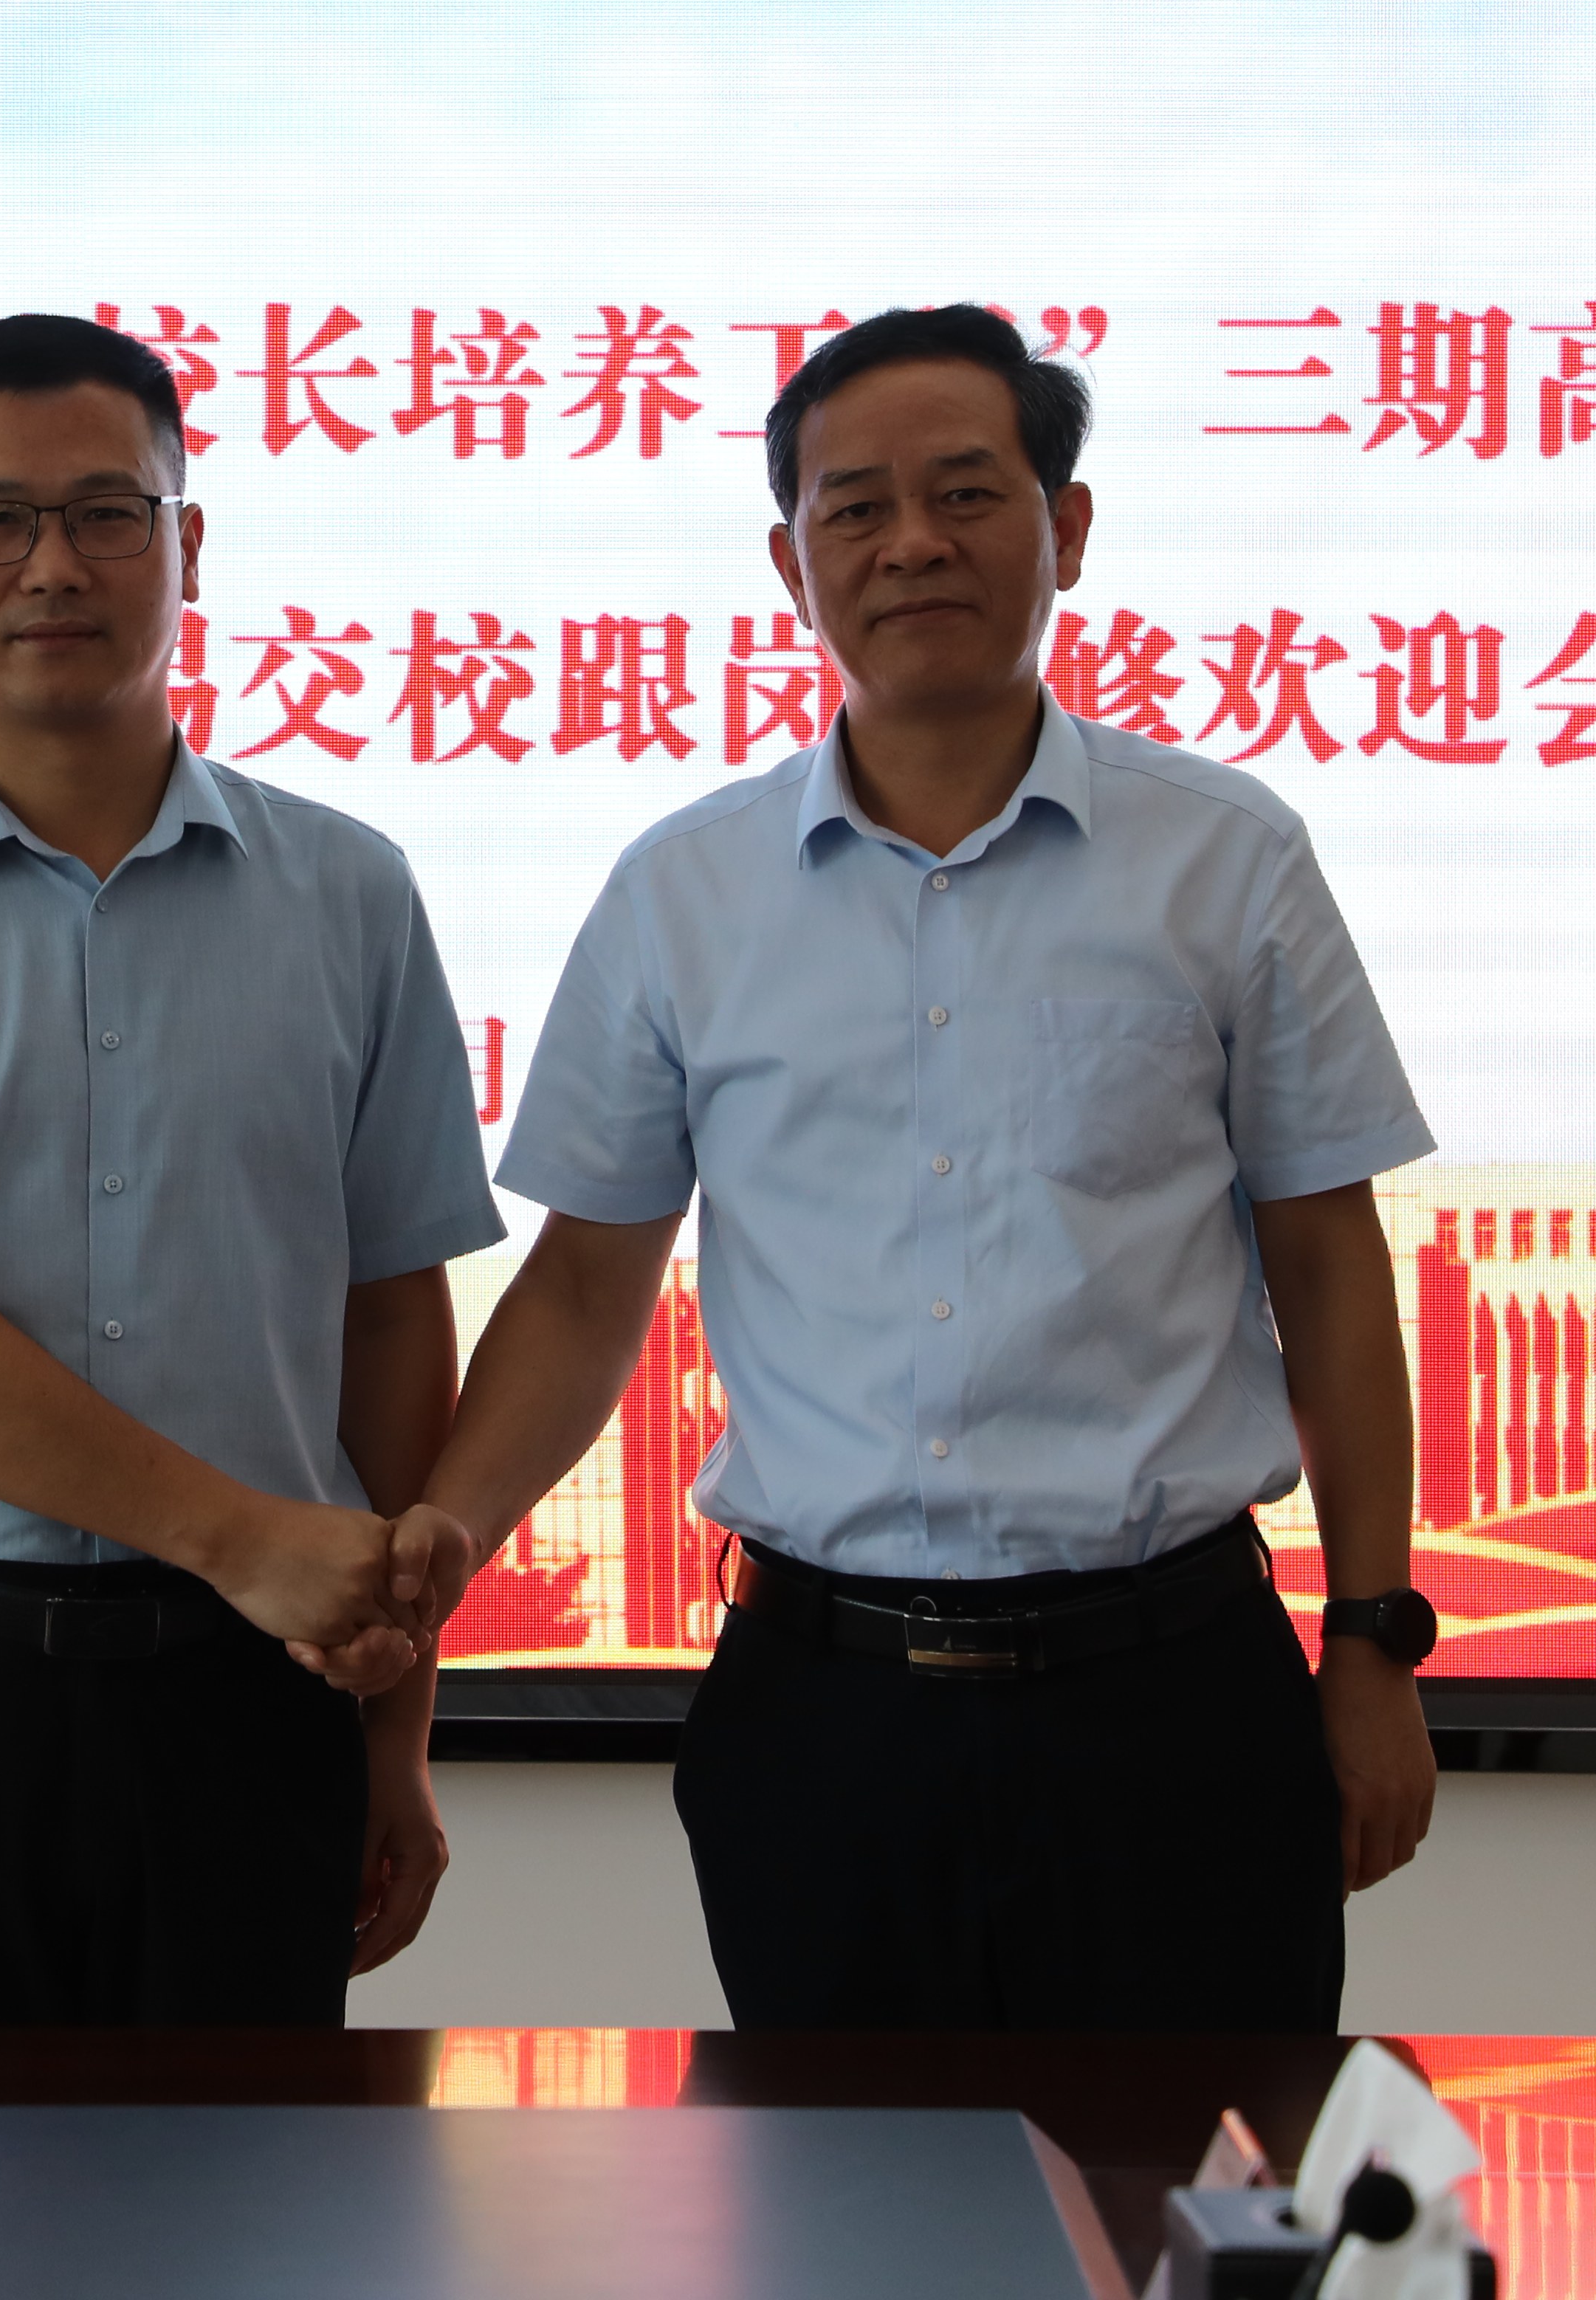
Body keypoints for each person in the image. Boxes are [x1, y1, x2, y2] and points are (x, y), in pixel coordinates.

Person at [394, 302, 1441, 2030]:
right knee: (838, 2182)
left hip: (1172, 1702)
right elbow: (584, 1282)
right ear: (792, 563)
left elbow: (1329, 1260)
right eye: (856, 506)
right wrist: (442, 1536)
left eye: (966, 492)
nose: (913, 542)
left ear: (1066, 528)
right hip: (824, 1716)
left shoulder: (1227, 859)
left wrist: (1374, 1635)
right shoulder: (684, 892)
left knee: (1199, 2173)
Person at [0, 311, 501, 2027]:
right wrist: (241, 1535)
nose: (52, 564)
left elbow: (387, 1315)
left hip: (255, 1697)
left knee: (255, 2178)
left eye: (106, 512)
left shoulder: (351, 894)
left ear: (187, 543)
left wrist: (395, 1721)